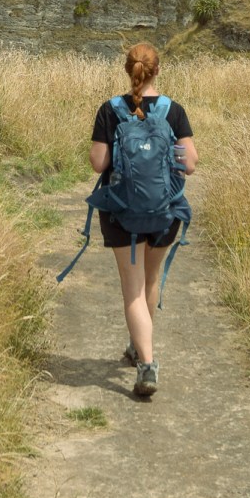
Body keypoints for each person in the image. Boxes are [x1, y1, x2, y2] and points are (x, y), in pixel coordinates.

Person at [89, 41, 197, 397]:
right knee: (151, 283)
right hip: (165, 211)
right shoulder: (172, 111)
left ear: (127, 70)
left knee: (132, 290)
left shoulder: (110, 110)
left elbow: (98, 163)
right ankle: (140, 349)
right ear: (157, 71)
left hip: (122, 213)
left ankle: (146, 363)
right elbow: (190, 164)